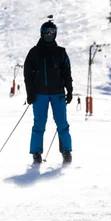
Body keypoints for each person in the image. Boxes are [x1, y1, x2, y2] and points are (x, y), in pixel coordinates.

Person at [24, 20, 73, 164]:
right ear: (41, 33)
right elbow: (27, 74)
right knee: (39, 124)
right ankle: (36, 152)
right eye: (46, 32)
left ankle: (66, 151)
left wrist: (69, 91)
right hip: (40, 94)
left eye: (52, 32)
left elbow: (67, 72)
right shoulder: (34, 52)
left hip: (57, 93)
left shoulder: (61, 52)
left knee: (62, 123)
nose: (49, 34)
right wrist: (30, 93)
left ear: (55, 34)